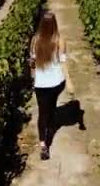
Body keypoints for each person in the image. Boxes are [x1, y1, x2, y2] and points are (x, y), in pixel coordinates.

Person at [29, 11, 74, 160]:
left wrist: (33, 77)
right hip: (56, 82)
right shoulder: (60, 40)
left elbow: (32, 62)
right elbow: (63, 63)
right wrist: (69, 81)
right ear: (55, 24)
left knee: (42, 112)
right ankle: (50, 127)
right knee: (52, 107)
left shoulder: (35, 40)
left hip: (41, 84)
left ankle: (43, 145)